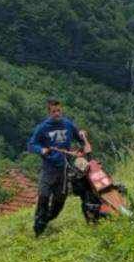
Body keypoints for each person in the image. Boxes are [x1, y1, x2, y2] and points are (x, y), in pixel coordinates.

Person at [28, 99, 91, 236]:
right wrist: (42, 150)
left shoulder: (67, 124)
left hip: (64, 169)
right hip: (49, 168)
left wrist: (83, 136)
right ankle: (38, 230)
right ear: (49, 112)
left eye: (59, 111)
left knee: (59, 200)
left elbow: (80, 138)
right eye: (53, 111)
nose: (57, 114)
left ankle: (46, 219)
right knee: (43, 196)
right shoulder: (43, 127)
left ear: (61, 110)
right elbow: (32, 144)